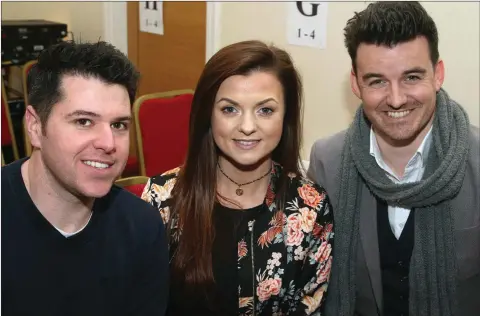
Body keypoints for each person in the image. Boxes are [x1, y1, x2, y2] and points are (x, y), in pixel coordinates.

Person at [308, 2, 480, 316]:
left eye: (412, 77)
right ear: (356, 83)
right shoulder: (326, 163)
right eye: (377, 81)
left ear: (438, 74)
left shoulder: (478, 159)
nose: (397, 98)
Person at [141, 40, 334, 315]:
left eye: (265, 110)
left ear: (285, 117)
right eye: (229, 109)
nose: (246, 127)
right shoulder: (161, 198)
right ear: (209, 114)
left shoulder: (311, 209)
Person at [1, 41, 169, 316]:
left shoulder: (142, 227)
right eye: (83, 121)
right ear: (34, 126)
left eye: (118, 125)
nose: (108, 143)